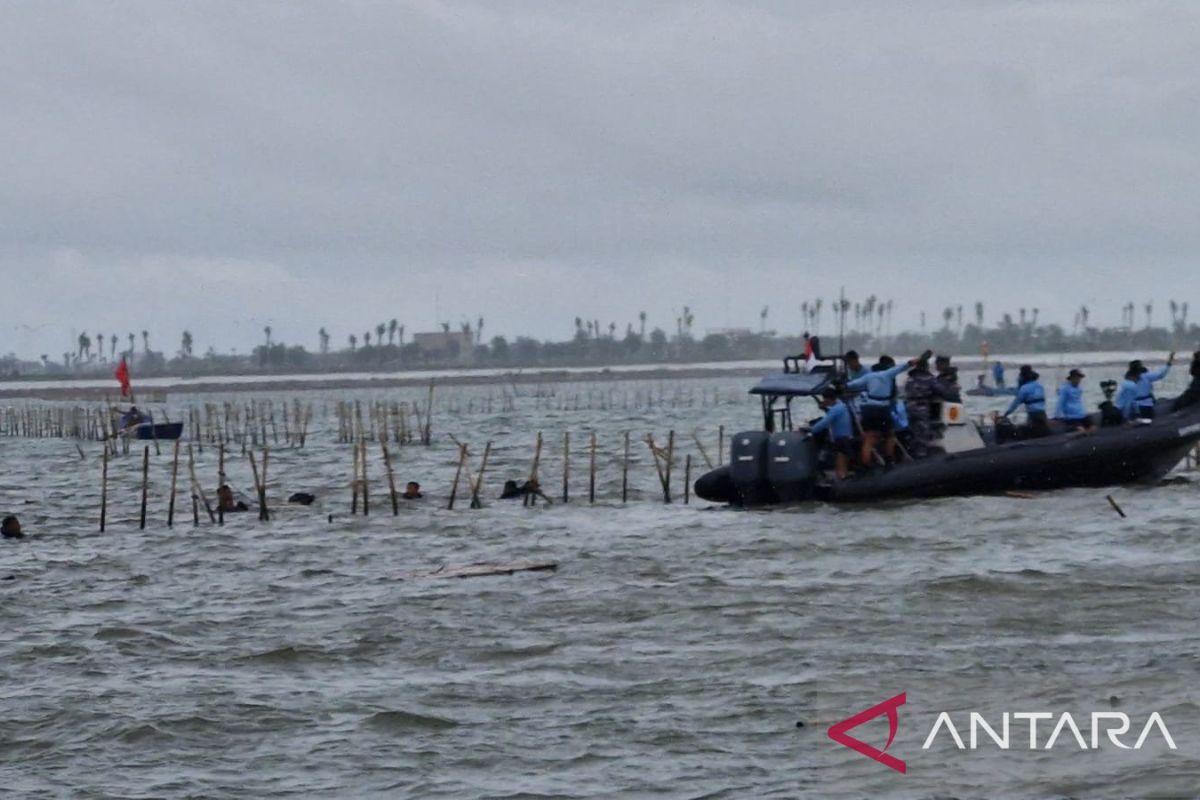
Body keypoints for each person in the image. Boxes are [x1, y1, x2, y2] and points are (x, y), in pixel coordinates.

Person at [846, 351, 926, 467]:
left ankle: (865, 466)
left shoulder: (868, 376)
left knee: (868, 439)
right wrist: (919, 359)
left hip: (867, 410)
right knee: (890, 435)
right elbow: (905, 365)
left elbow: (851, 385)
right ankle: (889, 460)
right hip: (881, 409)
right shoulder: (887, 374)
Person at [904, 357, 957, 458]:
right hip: (922, 408)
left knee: (913, 431)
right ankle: (921, 456)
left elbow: (906, 391)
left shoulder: (909, 379)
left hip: (909, 408)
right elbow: (942, 391)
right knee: (923, 432)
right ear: (926, 367)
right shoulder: (929, 379)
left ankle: (912, 454)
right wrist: (953, 391)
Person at [808, 387, 853, 479]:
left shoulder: (835, 409)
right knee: (843, 455)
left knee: (840, 455)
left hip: (841, 436)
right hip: (846, 435)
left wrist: (811, 429)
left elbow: (824, 423)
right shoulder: (841, 405)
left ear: (828, 398)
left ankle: (841, 475)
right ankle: (843, 474)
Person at [1116, 354, 1174, 420]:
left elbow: (1123, 399)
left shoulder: (1127, 381)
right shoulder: (1145, 376)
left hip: (1135, 408)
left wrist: (1123, 411)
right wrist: (1169, 362)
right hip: (1145, 406)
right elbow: (1160, 374)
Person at [1002, 365, 1049, 437]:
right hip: (1042, 414)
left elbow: (1015, 403)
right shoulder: (1039, 386)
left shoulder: (1024, 388)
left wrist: (1006, 414)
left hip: (1033, 416)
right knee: (1045, 434)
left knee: (1032, 435)